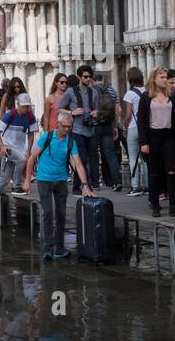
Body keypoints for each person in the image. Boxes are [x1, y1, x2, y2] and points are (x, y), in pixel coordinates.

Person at [22, 112, 94, 260]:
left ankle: (59, 248)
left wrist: (85, 185)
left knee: (61, 214)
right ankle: (48, 249)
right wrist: (27, 180)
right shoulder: (47, 137)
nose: (67, 129)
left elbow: (78, 164)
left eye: (69, 127)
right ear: (58, 124)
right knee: (47, 213)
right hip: (44, 179)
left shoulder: (70, 142)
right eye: (65, 126)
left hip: (61, 180)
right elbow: (32, 158)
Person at [136, 67, 175, 218]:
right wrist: (143, 142)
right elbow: (141, 120)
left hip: (168, 135)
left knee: (171, 171)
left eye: (166, 77)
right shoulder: (146, 97)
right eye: (162, 77)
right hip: (153, 136)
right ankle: (155, 204)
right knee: (154, 172)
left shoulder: (170, 95)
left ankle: (174, 205)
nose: (165, 80)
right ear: (154, 79)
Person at [0, 93, 38, 222]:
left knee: (4, 179)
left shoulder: (30, 116)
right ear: (18, 105)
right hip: (4, 147)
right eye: (24, 107)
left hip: (17, 149)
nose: (26, 109)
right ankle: (17, 185)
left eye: (27, 106)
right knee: (22, 160)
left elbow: (31, 134)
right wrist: (2, 146)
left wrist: (28, 150)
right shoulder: (11, 114)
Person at [59, 66, 102, 195]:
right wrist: (72, 112)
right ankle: (82, 186)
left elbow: (97, 108)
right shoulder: (70, 92)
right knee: (81, 158)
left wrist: (96, 113)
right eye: (85, 77)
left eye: (90, 77)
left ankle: (81, 186)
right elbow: (60, 108)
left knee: (91, 158)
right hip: (77, 130)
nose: (88, 79)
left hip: (90, 128)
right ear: (79, 77)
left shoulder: (93, 92)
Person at [90, 72, 122, 190]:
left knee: (93, 154)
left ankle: (95, 183)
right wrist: (114, 126)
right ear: (102, 79)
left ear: (93, 80)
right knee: (110, 153)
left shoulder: (91, 91)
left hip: (94, 126)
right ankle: (117, 181)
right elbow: (117, 111)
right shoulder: (112, 90)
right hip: (108, 125)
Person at [122, 68, 147, 197]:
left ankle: (135, 186)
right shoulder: (146, 91)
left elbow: (128, 115)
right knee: (145, 158)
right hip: (145, 129)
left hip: (133, 127)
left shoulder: (129, 94)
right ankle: (148, 185)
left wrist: (124, 127)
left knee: (133, 158)